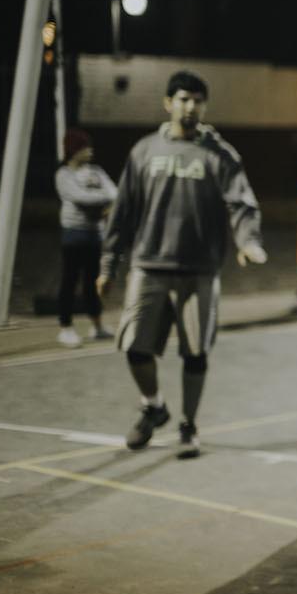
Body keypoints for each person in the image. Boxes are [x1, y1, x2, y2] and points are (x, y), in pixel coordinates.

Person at [97, 70, 267, 459]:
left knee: (195, 352)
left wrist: (248, 242)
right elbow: (122, 212)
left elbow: (241, 203)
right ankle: (153, 406)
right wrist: (108, 265)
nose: (190, 107)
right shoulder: (144, 152)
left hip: (199, 269)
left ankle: (188, 424)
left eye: (197, 100)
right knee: (135, 348)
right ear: (168, 103)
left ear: (204, 106)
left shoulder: (220, 154)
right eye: (183, 99)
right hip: (148, 266)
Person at [54, 127, 117, 347]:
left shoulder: (96, 171)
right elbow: (78, 197)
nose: (90, 151)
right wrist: (102, 201)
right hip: (73, 234)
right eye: (85, 147)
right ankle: (66, 328)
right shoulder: (64, 175)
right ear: (74, 150)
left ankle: (97, 325)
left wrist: (99, 199)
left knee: (93, 282)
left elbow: (115, 193)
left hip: (95, 234)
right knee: (69, 281)